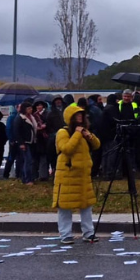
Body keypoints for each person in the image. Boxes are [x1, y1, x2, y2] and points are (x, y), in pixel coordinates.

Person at [53, 104, 101, 244]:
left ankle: (89, 232)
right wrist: (77, 134)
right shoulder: (63, 132)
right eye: (77, 115)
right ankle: (65, 234)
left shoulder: (84, 132)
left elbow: (97, 145)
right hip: (68, 174)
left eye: (81, 115)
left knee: (86, 205)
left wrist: (89, 136)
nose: (80, 117)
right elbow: (66, 149)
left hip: (83, 175)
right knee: (65, 206)